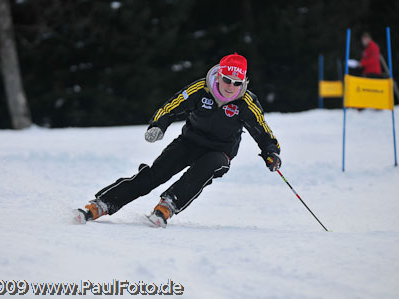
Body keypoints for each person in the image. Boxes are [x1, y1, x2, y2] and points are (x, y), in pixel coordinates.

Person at [74, 53, 281, 227]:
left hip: (219, 152)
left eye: (237, 83)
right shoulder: (201, 89)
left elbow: (262, 131)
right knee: (156, 174)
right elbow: (172, 106)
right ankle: (101, 204)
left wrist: (271, 152)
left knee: (205, 168)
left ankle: (167, 206)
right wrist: (158, 125)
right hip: (189, 142)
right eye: (227, 80)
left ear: (244, 82)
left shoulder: (246, 102)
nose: (230, 87)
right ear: (219, 76)